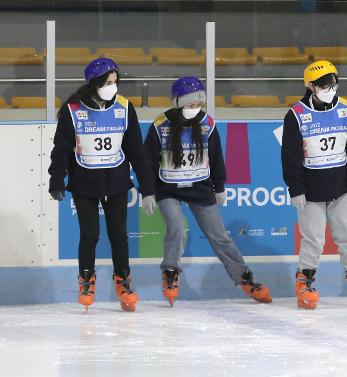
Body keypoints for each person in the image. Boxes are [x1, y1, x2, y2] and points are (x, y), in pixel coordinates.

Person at [144, 76, 272, 306]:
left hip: (200, 188)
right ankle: (170, 273)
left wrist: (219, 186)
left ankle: (244, 277)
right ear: (177, 102)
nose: (195, 109)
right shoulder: (159, 126)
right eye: (190, 105)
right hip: (168, 188)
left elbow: (216, 157)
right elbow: (147, 163)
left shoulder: (207, 124)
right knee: (176, 229)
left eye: (198, 105)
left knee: (220, 236)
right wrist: (147, 191)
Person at [48, 57, 156, 312]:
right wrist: (56, 178)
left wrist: (148, 189)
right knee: (90, 234)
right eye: (108, 82)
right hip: (84, 183)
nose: (113, 86)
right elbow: (61, 149)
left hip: (116, 182)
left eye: (115, 81)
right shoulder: (72, 109)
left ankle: (123, 281)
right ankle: (86, 280)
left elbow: (137, 152)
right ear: (94, 83)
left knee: (119, 234)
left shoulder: (124, 107)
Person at [281, 60, 347, 309]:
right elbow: (290, 157)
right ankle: (304, 282)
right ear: (311, 86)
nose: (330, 88)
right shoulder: (296, 114)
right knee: (313, 240)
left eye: (333, 83)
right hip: (311, 192)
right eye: (324, 84)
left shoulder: (345, 109)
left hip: (341, 188)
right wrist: (296, 188)